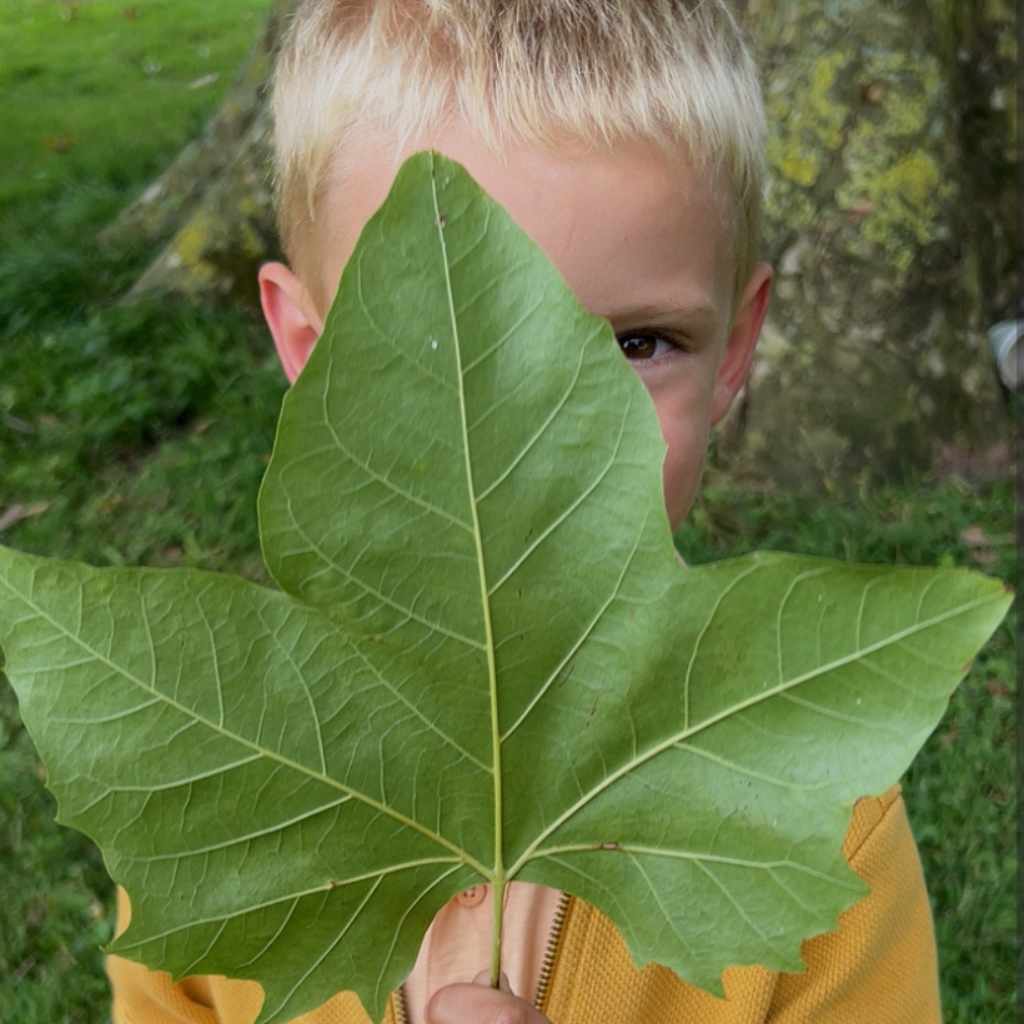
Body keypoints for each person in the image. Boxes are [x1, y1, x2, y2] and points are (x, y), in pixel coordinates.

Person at [106, 1, 942, 1021]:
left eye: (634, 344)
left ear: (733, 350)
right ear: (312, 352)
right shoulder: (220, 776)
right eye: (438, 341)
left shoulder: (805, 816)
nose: (541, 437)